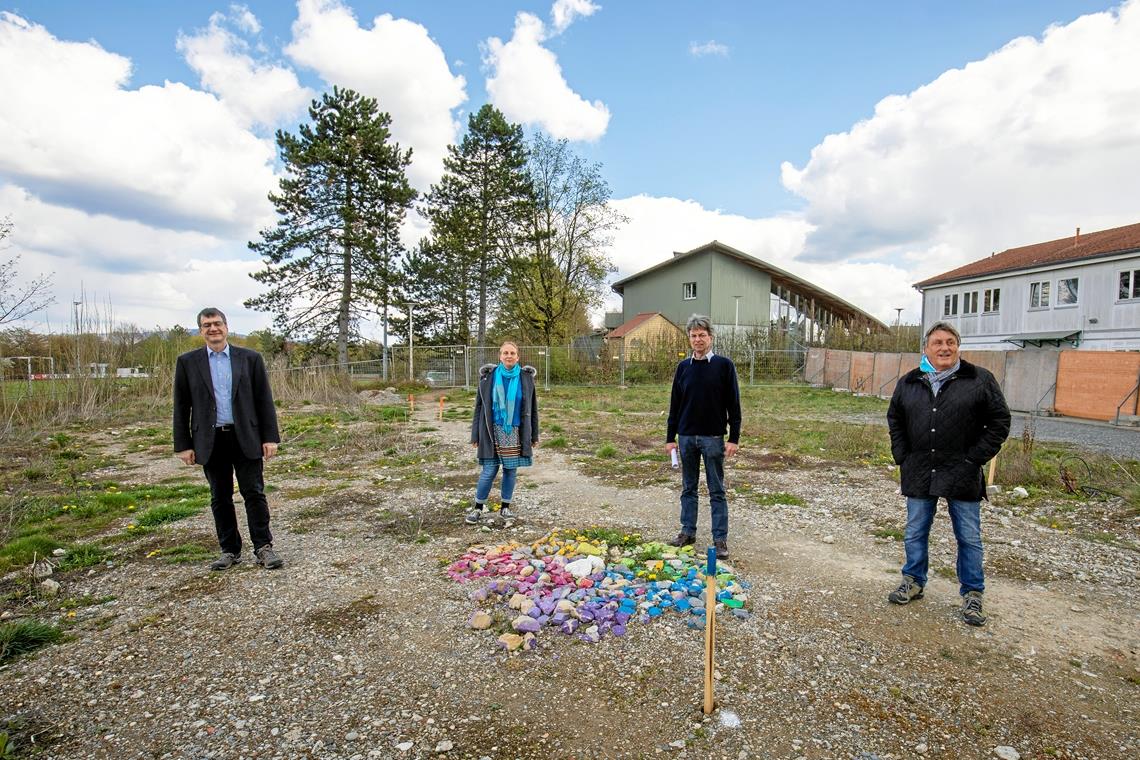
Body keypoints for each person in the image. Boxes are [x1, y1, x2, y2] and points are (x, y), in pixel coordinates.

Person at [886, 320, 1010, 626]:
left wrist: (974, 458)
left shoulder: (979, 380)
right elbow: (895, 419)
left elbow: (999, 422)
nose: (945, 347)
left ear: (958, 347)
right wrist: (902, 456)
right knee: (915, 530)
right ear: (926, 348)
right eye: (938, 342)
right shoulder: (910, 381)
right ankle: (913, 580)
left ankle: (972, 594)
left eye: (950, 342)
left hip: (962, 470)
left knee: (968, 536)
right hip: (919, 469)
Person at [173, 307, 284, 571]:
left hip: (246, 436)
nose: (213, 328)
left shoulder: (250, 359)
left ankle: (263, 547)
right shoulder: (188, 362)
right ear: (201, 331)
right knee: (219, 496)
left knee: (254, 492)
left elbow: (263, 400)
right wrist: (183, 444)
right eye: (207, 325)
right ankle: (229, 550)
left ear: (226, 326)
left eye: (217, 323)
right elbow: (181, 405)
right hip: (210, 441)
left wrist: (270, 437)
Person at [664, 315, 741, 559]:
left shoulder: (724, 366)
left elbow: (734, 405)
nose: (698, 339)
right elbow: (675, 405)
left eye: (702, 335)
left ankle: (720, 540)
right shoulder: (683, 368)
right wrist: (670, 437)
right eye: (694, 335)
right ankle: (688, 532)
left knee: (716, 490)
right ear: (689, 338)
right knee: (688, 487)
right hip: (686, 437)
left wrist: (734, 438)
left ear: (711, 337)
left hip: (713, 438)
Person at [466, 341, 540, 524]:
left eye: (512, 353)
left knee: (510, 471)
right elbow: (478, 408)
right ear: (500, 356)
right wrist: (475, 434)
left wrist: (534, 435)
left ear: (518, 357)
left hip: (515, 431)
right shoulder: (488, 378)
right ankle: (477, 508)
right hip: (491, 431)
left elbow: (533, 409)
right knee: (489, 471)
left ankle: (505, 508)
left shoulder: (526, 378)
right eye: (505, 353)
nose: (509, 356)